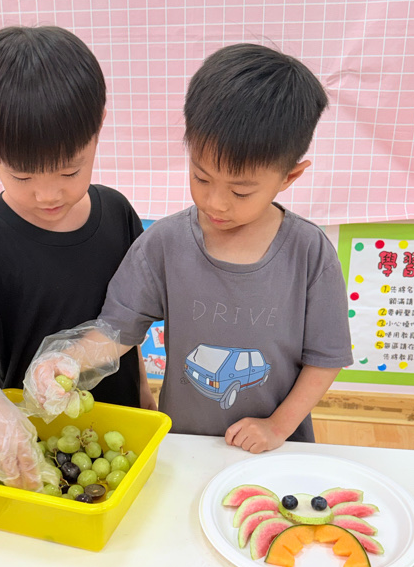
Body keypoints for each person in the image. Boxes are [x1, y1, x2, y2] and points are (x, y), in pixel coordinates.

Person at [24, 43, 353, 453]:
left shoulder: (309, 253)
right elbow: (116, 331)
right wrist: (70, 360)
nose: (216, 203)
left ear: (289, 177)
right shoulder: (165, 244)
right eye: (201, 177)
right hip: (184, 445)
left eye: (240, 191)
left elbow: (325, 358)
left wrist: (277, 427)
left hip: (278, 448)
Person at [0, 26, 153, 488]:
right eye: (21, 176)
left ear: (99, 126)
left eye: (69, 170)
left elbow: (128, 322)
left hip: (119, 440)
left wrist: (142, 392)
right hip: (36, 456)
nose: (47, 194)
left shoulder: (118, 213)